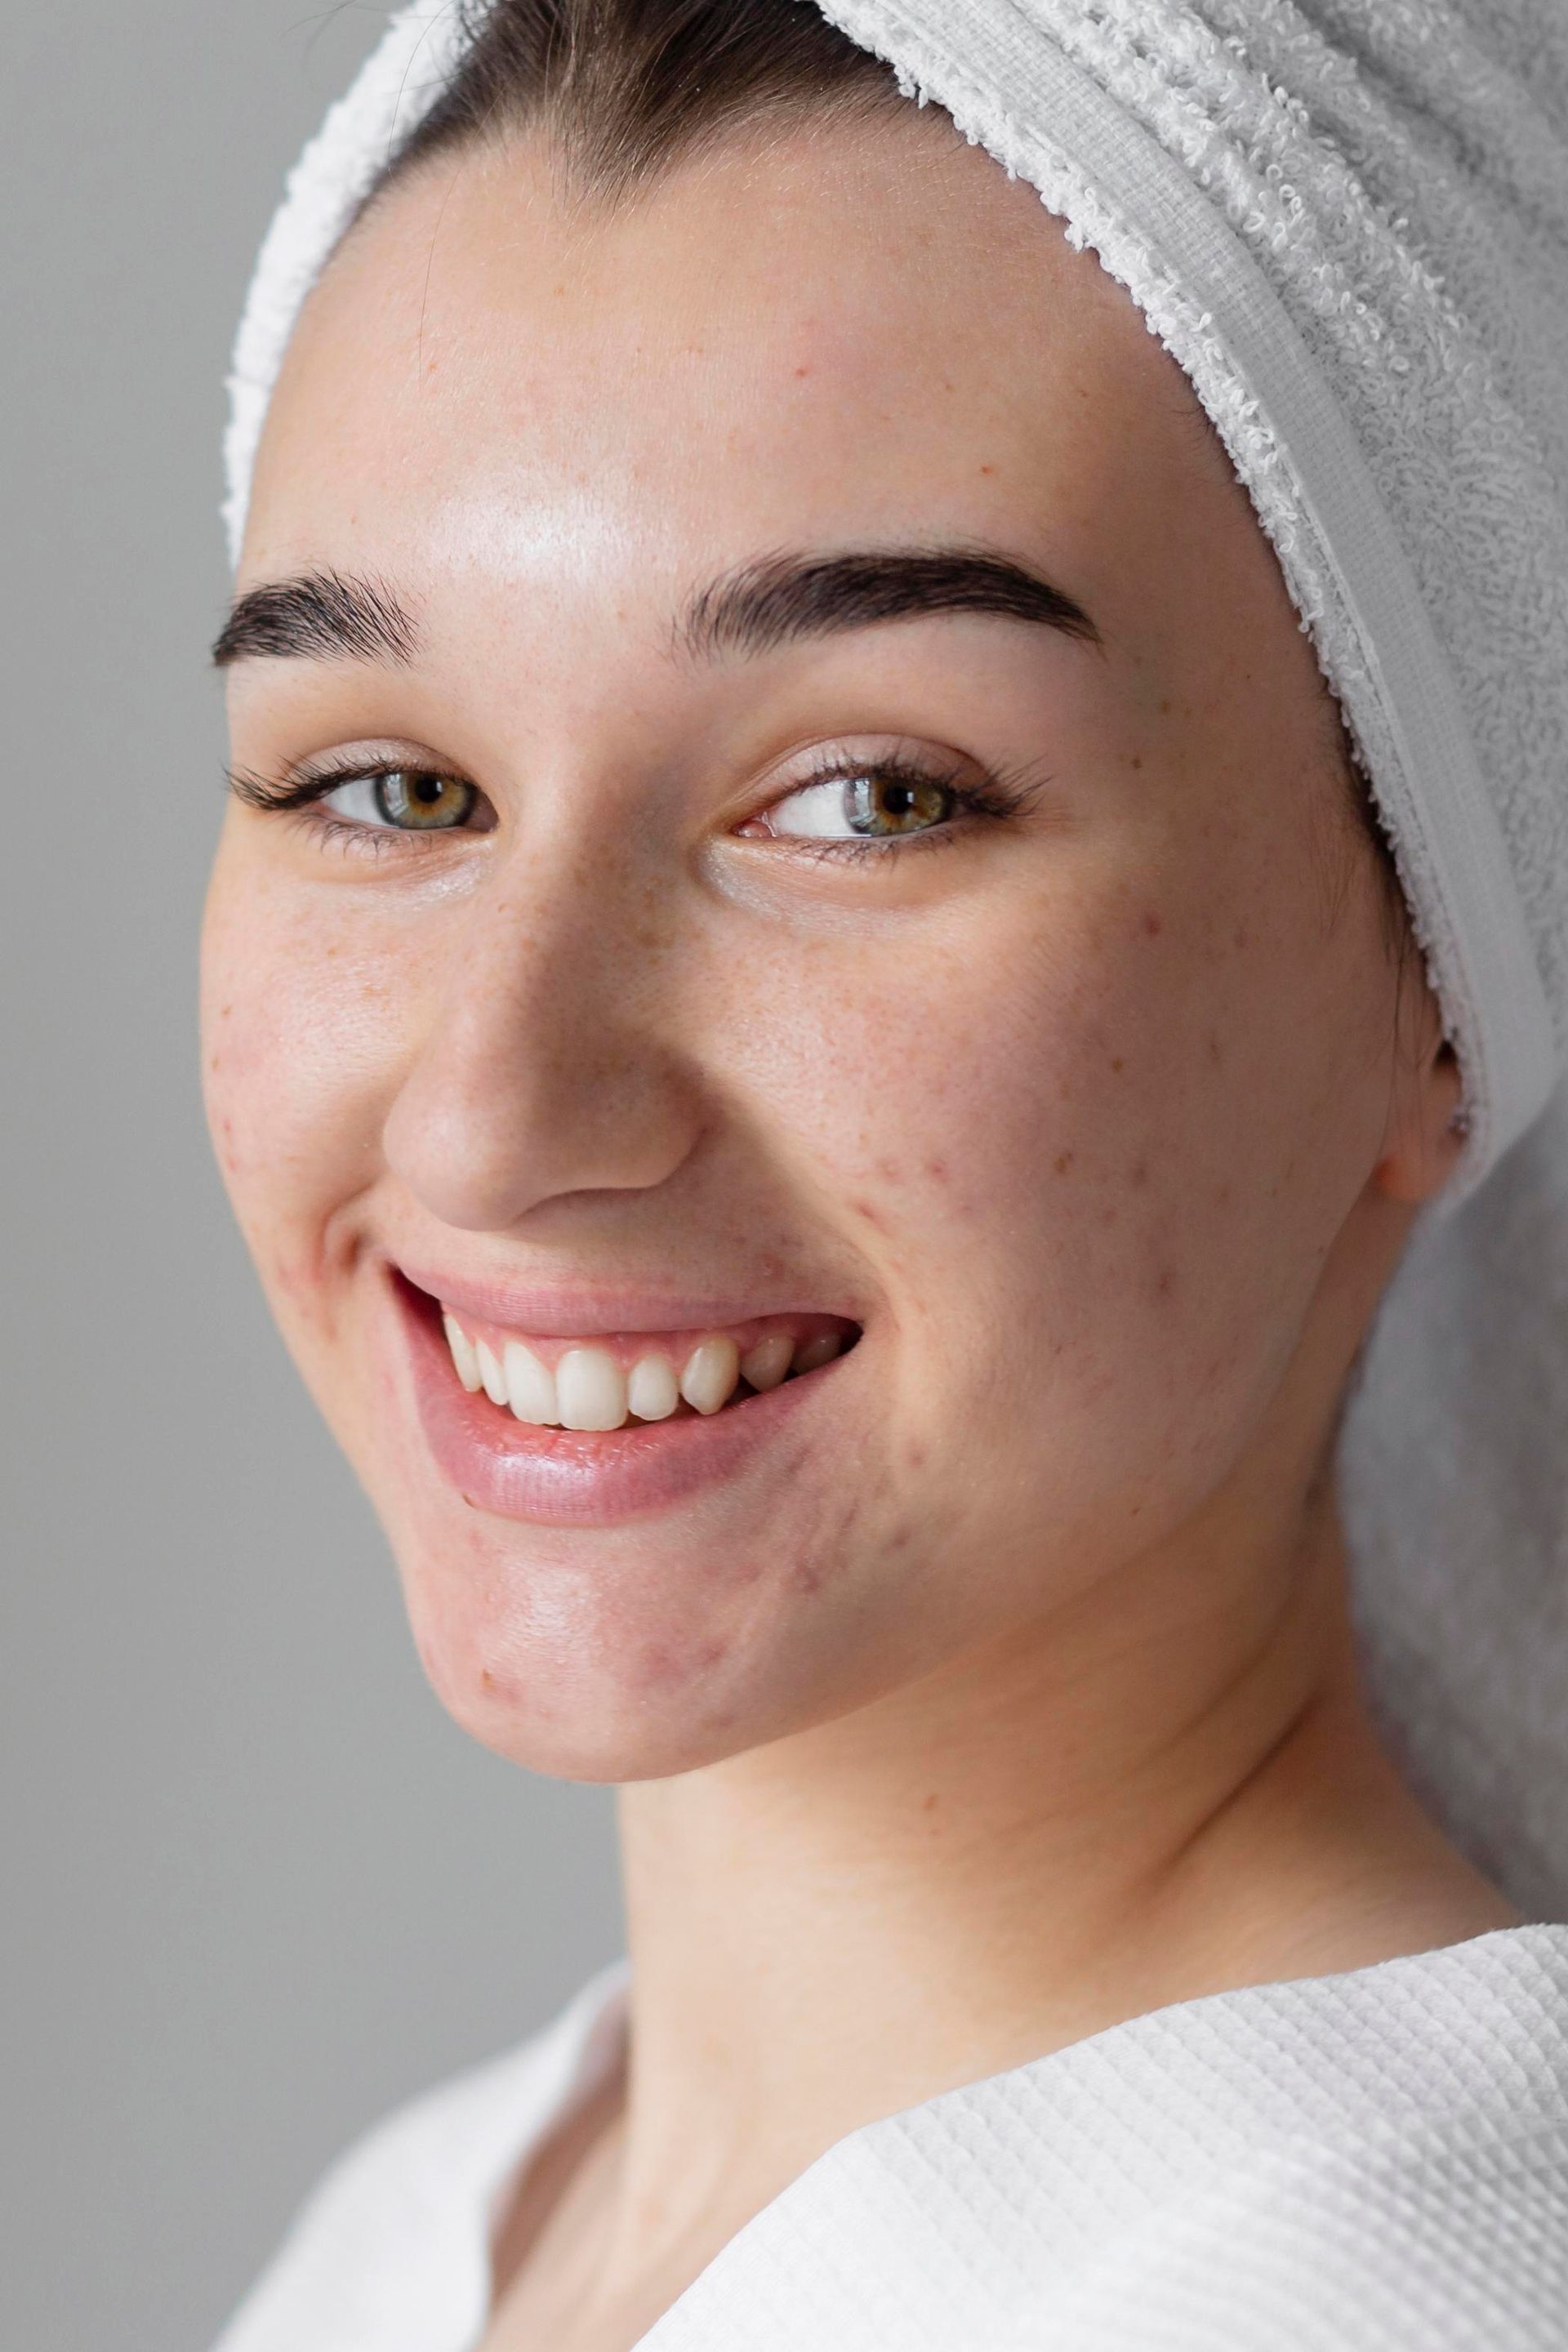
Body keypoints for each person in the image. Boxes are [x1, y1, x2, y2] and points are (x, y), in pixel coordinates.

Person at [205, 3, 1568, 2346]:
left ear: (1446, 970)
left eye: (873, 800)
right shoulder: (412, 2247)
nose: (494, 1120)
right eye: (389, 788)